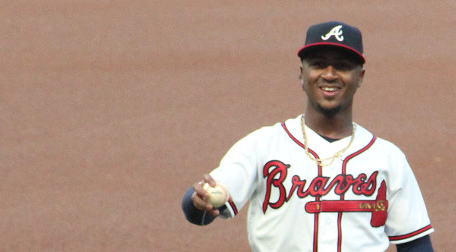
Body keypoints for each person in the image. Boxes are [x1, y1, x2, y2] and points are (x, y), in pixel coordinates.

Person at [181, 21, 434, 252]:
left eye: (343, 66)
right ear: (302, 74)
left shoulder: (388, 158)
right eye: (319, 64)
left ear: (360, 77)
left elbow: (416, 244)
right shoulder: (263, 146)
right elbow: (201, 207)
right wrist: (198, 202)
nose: (330, 74)